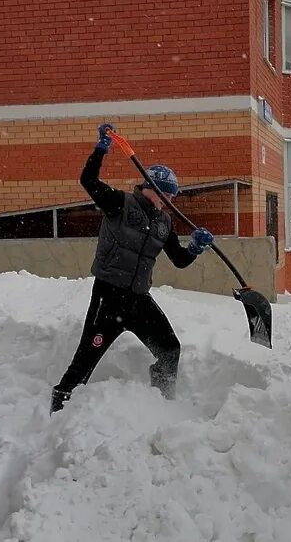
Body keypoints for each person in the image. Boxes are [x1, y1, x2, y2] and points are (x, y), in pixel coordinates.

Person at [50, 123, 214, 412]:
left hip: (138, 299)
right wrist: (101, 149)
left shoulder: (164, 222)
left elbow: (179, 259)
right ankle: (62, 402)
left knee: (169, 349)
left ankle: (163, 402)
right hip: (109, 296)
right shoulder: (119, 204)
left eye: (173, 197)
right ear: (152, 189)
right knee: (86, 358)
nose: (171, 201)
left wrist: (195, 248)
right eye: (168, 195)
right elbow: (88, 180)